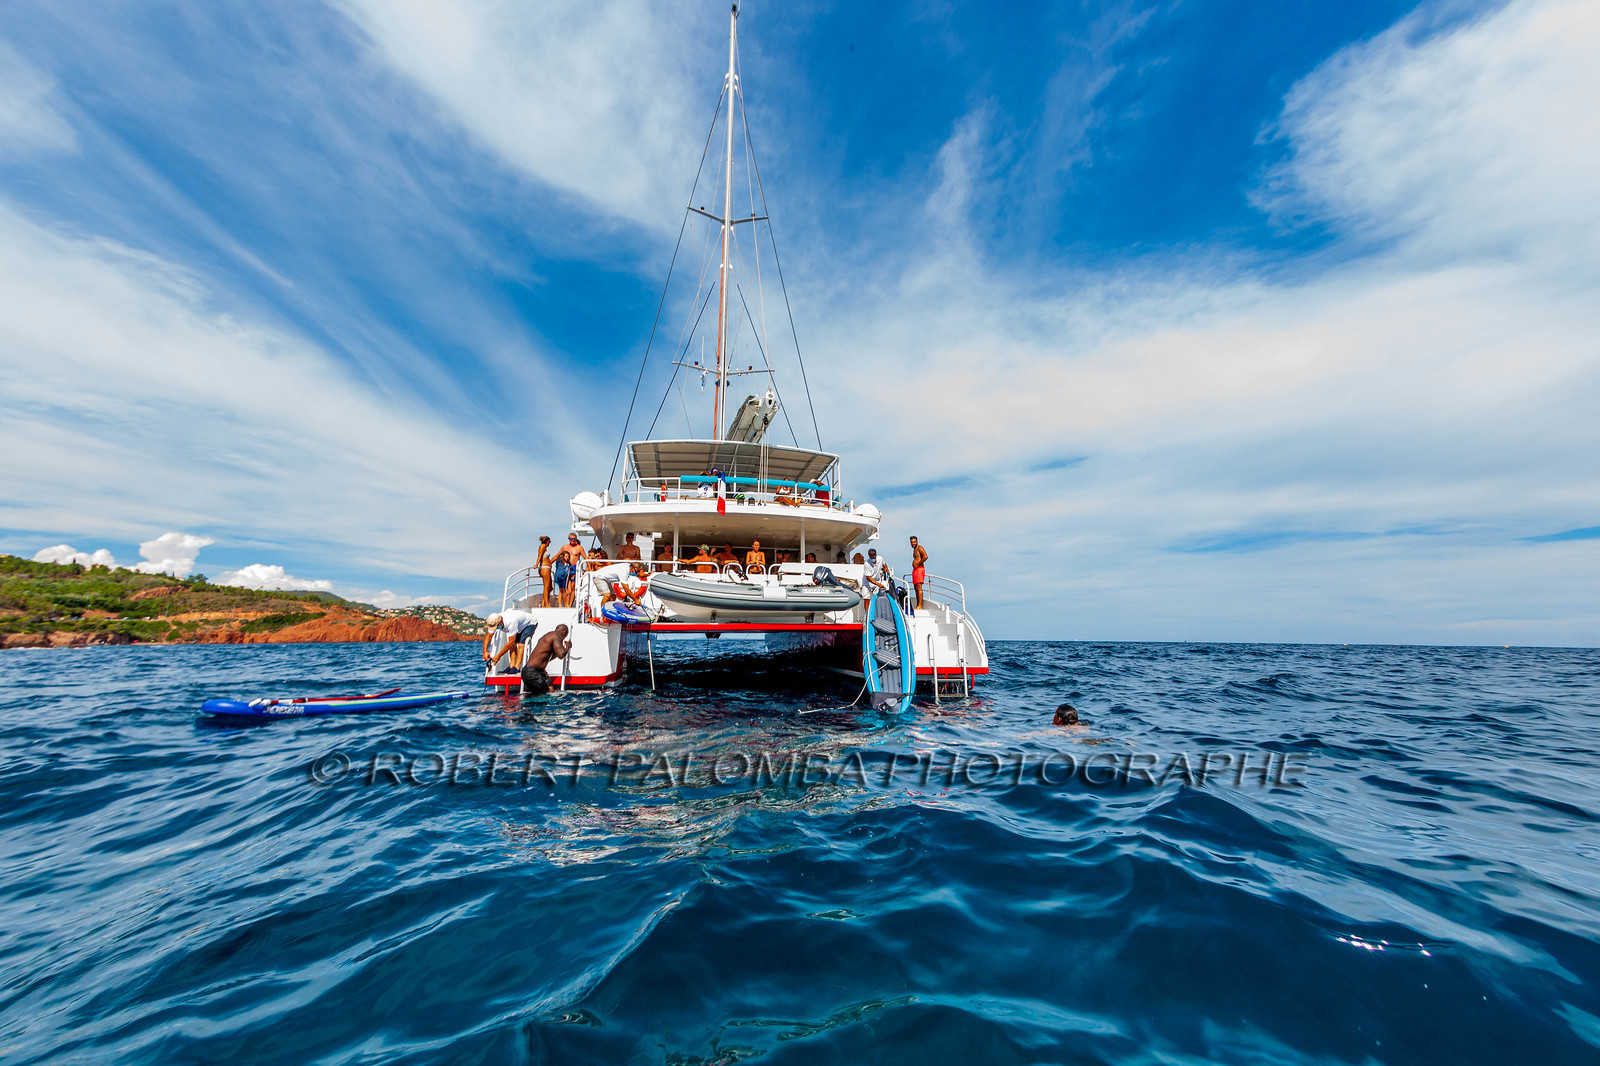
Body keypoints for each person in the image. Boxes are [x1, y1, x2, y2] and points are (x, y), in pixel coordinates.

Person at [519, 624, 573, 695]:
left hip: (536, 671)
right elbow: (561, 655)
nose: (563, 638)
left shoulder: (549, 636)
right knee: (544, 696)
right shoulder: (556, 635)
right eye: (565, 636)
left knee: (550, 692)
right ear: (563, 632)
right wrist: (568, 647)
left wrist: (562, 649)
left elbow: (549, 658)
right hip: (532, 673)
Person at [554, 533, 586, 608]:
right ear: (569, 539)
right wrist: (549, 563)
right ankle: (564, 604)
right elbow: (557, 555)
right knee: (564, 588)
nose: (573, 540)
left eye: (574, 539)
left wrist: (590, 567)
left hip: (574, 568)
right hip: (565, 568)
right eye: (571, 539)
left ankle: (570, 604)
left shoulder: (579, 548)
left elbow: (585, 557)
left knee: (573, 586)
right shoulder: (565, 547)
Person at [909, 535, 928, 613]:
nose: (913, 543)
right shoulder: (914, 549)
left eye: (914, 542)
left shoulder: (920, 548)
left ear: (917, 541)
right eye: (911, 542)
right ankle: (917, 605)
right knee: (916, 587)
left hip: (919, 569)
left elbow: (925, 556)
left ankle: (920, 605)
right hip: (915, 570)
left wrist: (918, 564)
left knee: (919, 587)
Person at [535, 536, 553, 607]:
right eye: (549, 541)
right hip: (544, 568)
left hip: (547, 568)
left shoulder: (545, 547)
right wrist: (536, 565)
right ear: (547, 541)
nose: (550, 543)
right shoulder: (542, 546)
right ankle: (546, 604)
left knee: (550, 587)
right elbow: (539, 555)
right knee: (546, 587)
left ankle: (543, 603)